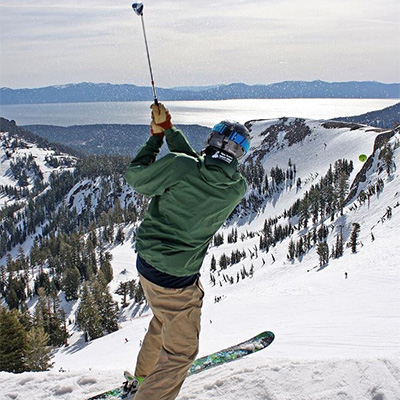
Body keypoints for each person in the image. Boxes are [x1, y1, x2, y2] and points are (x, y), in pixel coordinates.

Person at [124, 102, 250, 400]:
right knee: (181, 353)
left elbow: (136, 176)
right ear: (239, 155)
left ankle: (142, 379)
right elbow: (199, 166)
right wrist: (168, 130)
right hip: (177, 279)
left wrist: (157, 137)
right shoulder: (236, 188)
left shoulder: (182, 168)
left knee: (162, 321)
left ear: (210, 141)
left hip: (148, 266)